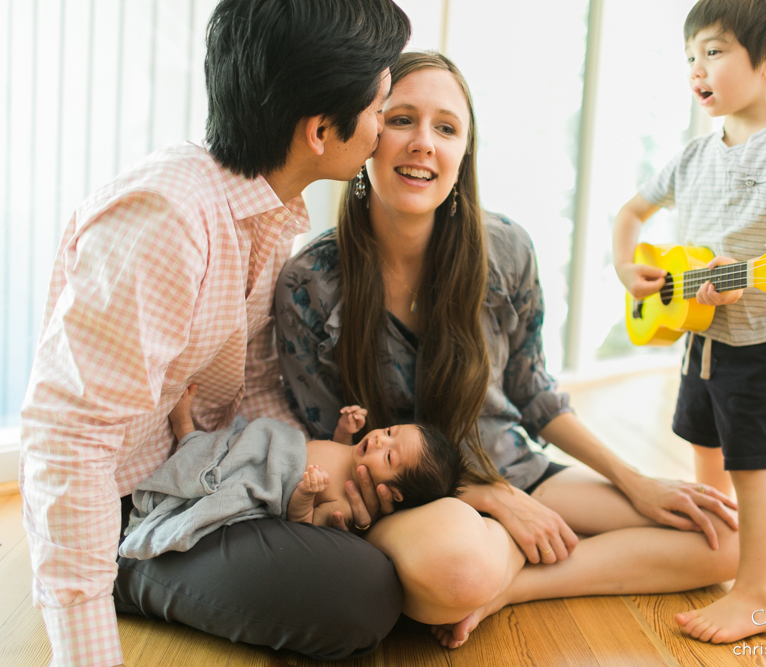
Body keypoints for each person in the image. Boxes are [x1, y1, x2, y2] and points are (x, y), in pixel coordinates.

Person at [275, 50, 741, 651]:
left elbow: (533, 391)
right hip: (412, 502)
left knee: (722, 538)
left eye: (446, 128)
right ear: (368, 135)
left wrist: (634, 480)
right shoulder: (309, 281)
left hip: (510, 466)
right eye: (401, 120)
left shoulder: (507, 248)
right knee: (457, 569)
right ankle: (486, 571)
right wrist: (487, 500)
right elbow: (335, 455)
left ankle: (507, 588)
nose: (424, 143)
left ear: (464, 153)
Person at [19, 1, 411, 664]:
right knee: (363, 590)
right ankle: (123, 575)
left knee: (375, 550)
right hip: (125, 506)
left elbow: (253, 385)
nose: (382, 130)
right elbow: (67, 438)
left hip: (197, 470)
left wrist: (310, 467)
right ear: (320, 130)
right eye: (380, 108)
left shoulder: (266, 212)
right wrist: (86, 652)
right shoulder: (169, 215)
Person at [611, 0, 766, 644]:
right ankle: (715, 547)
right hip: (697, 338)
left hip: (761, 343)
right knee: (704, 449)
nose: (696, 69)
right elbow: (630, 215)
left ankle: (755, 594)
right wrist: (628, 269)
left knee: (752, 464)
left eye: (712, 52)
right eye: (690, 56)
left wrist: (750, 275)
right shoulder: (692, 155)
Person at [117, 387, 466, 560]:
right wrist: (345, 430)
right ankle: (195, 439)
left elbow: (304, 520)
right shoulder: (362, 453)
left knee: (215, 468)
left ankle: (184, 429)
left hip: (269, 472)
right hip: (271, 442)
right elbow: (334, 448)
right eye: (390, 430)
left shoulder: (346, 502)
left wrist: (306, 492)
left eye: (389, 454)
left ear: (394, 492)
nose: (377, 438)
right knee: (222, 446)